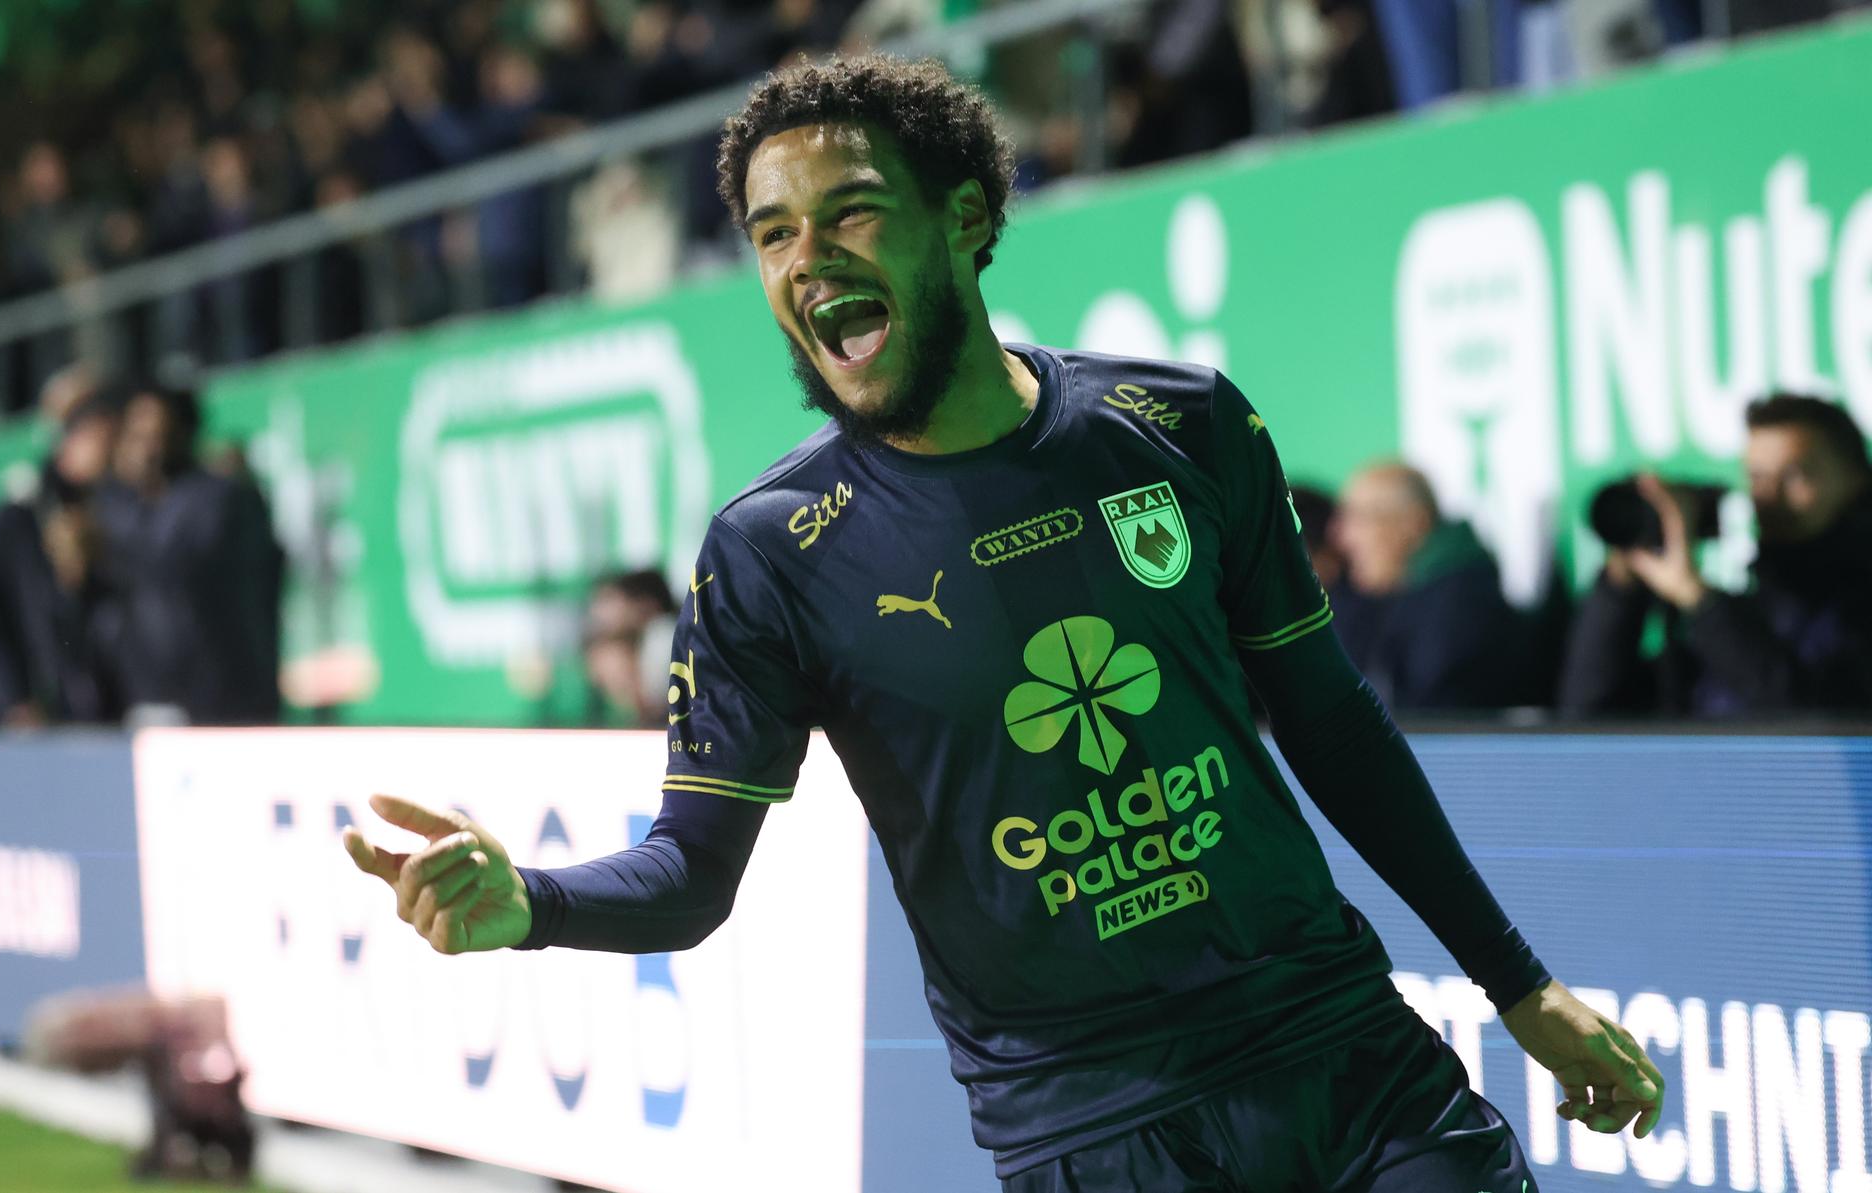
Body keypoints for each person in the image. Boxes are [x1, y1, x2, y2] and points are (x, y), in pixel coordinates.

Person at [343, 55, 1662, 1191]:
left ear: (965, 217)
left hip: (1349, 1058)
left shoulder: (1184, 423)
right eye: (773, 233)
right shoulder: (767, 554)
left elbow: (1329, 719)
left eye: (851, 215)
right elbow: (691, 873)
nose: (810, 262)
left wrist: (1517, 982)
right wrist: (531, 903)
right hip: (1095, 1130)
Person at [1561, 393, 1872, 716]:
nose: (1769, 497)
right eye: (1758, 477)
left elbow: (1815, 724)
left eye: (1795, 476)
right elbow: (1588, 712)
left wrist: (1698, 599)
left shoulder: (1854, 608)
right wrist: (1621, 584)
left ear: (1856, 479)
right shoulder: (1757, 606)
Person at [94, 380, 283, 724]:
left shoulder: (221, 498)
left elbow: (172, 565)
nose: (147, 449)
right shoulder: (124, 505)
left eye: (157, 435)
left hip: (223, 697)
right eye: (136, 436)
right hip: (152, 697)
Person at [0, 390, 125, 725]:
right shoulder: (17, 517)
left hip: (112, 713)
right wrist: (13, 701)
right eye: (102, 439)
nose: (110, 454)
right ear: (75, 437)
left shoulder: (121, 513)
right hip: (43, 714)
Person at [1329, 461, 1533, 711]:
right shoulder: (1413, 598)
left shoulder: (1457, 608)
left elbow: (1431, 725)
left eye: (1360, 519)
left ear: (1415, 523)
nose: (1342, 538)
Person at [580, 569, 679, 728]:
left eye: (610, 601)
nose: (601, 615)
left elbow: (657, 705)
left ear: (646, 604)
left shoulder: (663, 637)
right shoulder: (649, 638)